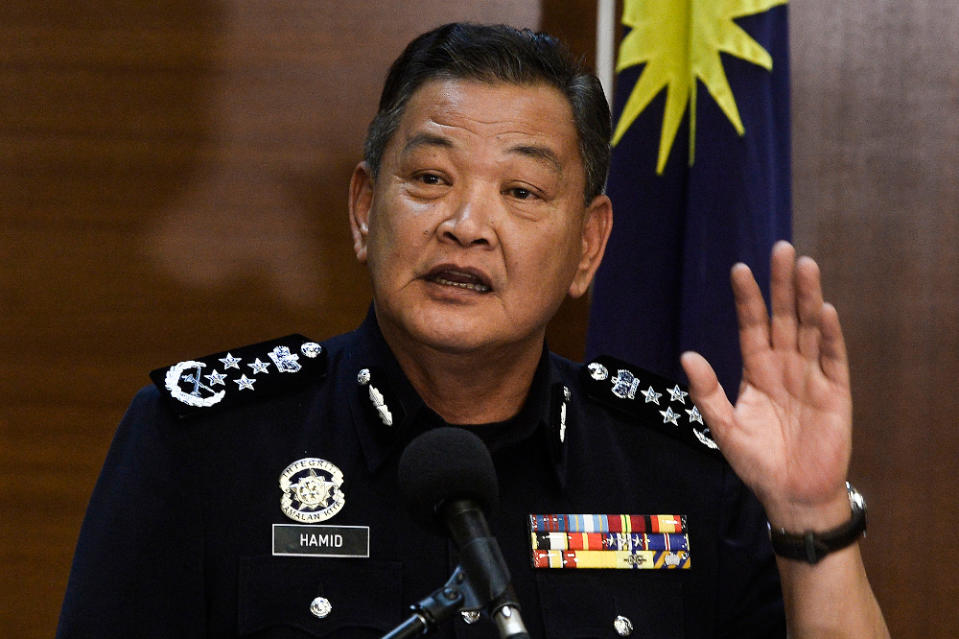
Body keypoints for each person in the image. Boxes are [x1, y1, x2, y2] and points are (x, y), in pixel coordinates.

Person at [57, 23, 889, 638]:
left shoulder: (677, 470)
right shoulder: (204, 443)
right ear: (361, 210)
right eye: (428, 177)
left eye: (522, 192)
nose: (465, 223)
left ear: (588, 246)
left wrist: (811, 513)